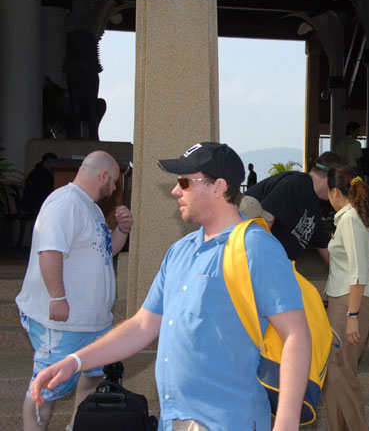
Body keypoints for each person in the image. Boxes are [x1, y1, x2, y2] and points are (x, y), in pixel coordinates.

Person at [29, 142, 311, 431]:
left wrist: (286, 423)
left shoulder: (256, 247)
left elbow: (296, 336)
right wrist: (75, 361)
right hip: (173, 421)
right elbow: (142, 326)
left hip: (228, 421)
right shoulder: (180, 250)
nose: (176, 191)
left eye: (184, 182)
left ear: (218, 187)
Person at [15, 151, 133, 431]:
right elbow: (50, 251)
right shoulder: (65, 203)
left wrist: (123, 229)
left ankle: (74, 428)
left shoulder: (90, 207)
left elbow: (106, 252)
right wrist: (58, 298)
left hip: (93, 322)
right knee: (46, 386)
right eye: (114, 182)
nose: (115, 188)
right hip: (63, 322)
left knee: (92, 376)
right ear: (103, 176)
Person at [322, 164, 369, 431]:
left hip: (349, 301)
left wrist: (352, 315)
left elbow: (357, 271)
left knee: (340, 373)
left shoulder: (350, 219)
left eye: (328, 193)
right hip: (347, 300)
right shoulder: (363, 217)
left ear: (335, 191)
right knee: (337, 374)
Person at [245, 151, 344, 263]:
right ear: (331, 179)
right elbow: (262, 225)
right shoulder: (294, 185)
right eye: (340, 183)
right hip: (249, 261)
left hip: (275, 265)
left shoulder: (314, 207)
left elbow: (325, 249)